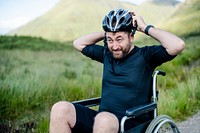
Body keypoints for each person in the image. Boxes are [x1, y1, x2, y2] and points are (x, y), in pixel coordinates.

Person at [50, 9, 185, 133]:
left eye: (119, 39)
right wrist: (108, 32)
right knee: (60, 108)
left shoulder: (146, 56)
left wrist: (144, 27)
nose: (114, 46)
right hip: (101, 122)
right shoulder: (107, 54)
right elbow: (78, 43)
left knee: (104, 120)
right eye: (110, 40)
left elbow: (177, 45)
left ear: (131, 37)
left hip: (131, 121)